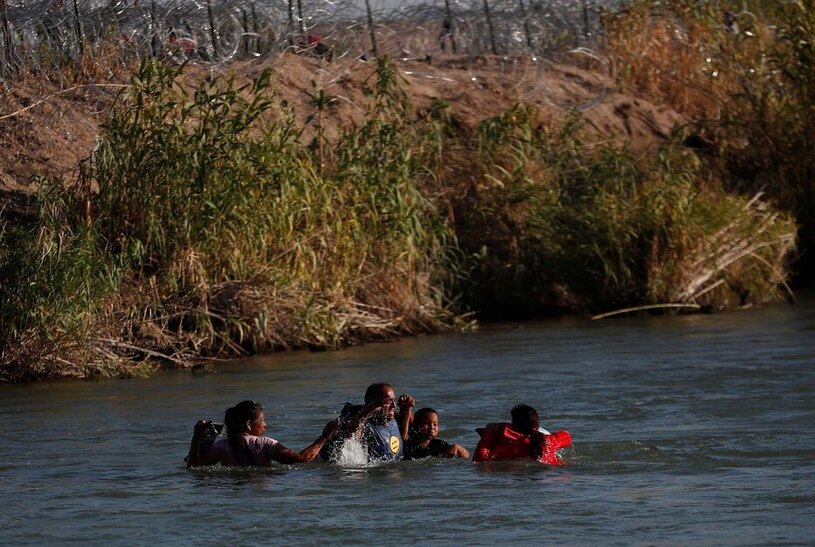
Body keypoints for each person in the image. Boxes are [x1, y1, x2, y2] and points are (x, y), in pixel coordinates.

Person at [185, 400, 339, 467]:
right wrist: (326, 435)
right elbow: (301, 460)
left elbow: (193, 466)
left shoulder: (222, 446)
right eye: (262, 420)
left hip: (232, 493)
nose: (265, 424)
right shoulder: (265, 444)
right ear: (249, 424)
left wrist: (197, 436)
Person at [323, 383, 410, 462]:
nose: (394, 406)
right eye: (388, 401)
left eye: (393, 400)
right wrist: (368, 410)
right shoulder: (365, 426)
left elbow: (404, 437)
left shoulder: (392, 419)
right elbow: (350, 434)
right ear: (374, 404)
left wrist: (407, 410)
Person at [473, 404, 571, 465]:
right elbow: (567, 437)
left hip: (520, 471)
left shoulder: (509, 445)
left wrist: (488, 435)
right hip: (553, 475)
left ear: (514, 425)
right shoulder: (549, 440)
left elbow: (479, 460)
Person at [403, 407, 469, 460]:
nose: (432, 427)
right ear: (416, 426)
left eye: (435, 424)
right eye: (427, 423)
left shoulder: (438, 445)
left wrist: (456, 447)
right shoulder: (410, 441)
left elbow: (466, 454)